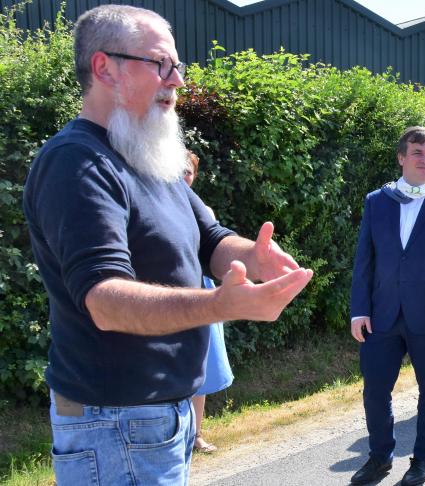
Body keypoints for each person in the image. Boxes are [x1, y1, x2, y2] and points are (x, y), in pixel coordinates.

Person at [22, 6, 313, 485]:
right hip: (113, 422)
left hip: (157, 418)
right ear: (104, 68)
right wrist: (220, 304)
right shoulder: (77, 163)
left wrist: (253, 257)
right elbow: (106, 300)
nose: (176, 79)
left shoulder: (145, 155)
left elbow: (211, 241)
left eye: (178, 66)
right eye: (161, 63)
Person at [349, 126, 425, 485]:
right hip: (382, 315)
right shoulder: (377, 200)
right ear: (401, 158)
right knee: (374, 391)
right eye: (418, 153)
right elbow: (364, 261)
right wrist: (360, 310)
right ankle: (379, 458)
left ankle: (422, 461)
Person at [183, 152, 235, 454]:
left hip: (201, 289)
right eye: (180, 170)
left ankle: (196, 434)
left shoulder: (203, 210)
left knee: (201, 363)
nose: (185, 175)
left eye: (189, 171)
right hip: (173, 290)